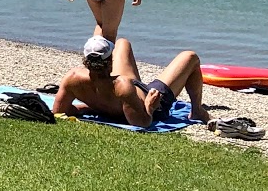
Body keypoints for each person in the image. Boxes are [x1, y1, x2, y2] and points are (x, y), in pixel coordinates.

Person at [53, 36, 210, 127]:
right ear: (110, 61)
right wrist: (149, 106)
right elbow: (141, 123)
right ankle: (197, 110)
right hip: (151, 101)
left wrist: (94, 107)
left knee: (123, 43)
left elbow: (59, 111)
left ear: (85, 61)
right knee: (191, 57)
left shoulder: (72, 79)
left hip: (123, 91)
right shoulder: (122, 86)